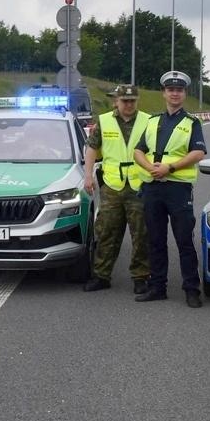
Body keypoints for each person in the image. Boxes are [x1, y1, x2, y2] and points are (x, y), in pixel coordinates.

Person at [132, 70, 207, 307]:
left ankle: (191, 289)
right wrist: (151, 168)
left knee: (184, 240)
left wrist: (170, 168)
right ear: (164, 93)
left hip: (178, 189)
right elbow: (138, 150)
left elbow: (198, 152)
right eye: (171, 89)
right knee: (155, 240)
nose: (175, 93)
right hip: (153, 187)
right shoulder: (153, 121)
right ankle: (157, 287)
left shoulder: (192, 123)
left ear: (184, 94)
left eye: (179, 90)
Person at [82, 84, 151, 294]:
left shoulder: (148, 121)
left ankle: (140, 277)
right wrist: (88, 175)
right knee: (106, 232)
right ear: (116, 102)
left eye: (132, 101)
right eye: (124, 101)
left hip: (139, 184)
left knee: (141, 233)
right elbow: (92, 149)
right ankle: (101, 275)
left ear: (137, 101)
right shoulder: (104, 121)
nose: (128, 105)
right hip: (112, 185)